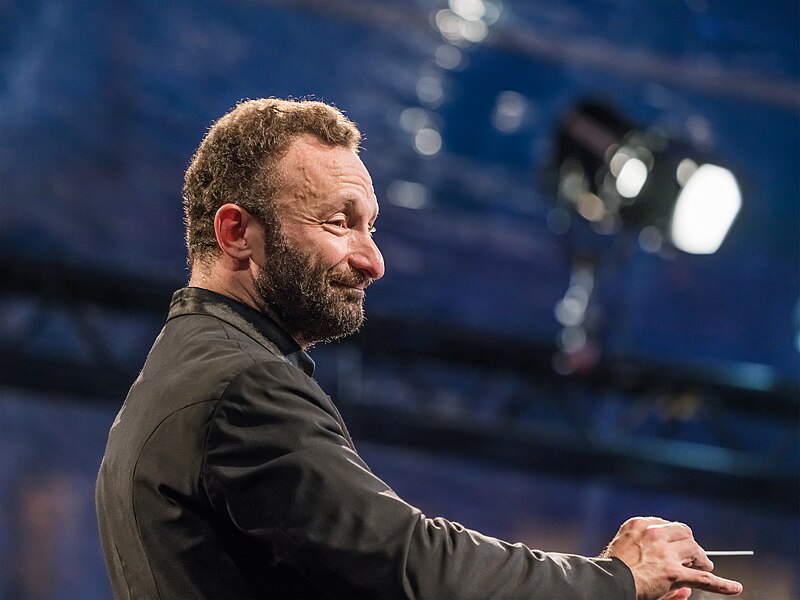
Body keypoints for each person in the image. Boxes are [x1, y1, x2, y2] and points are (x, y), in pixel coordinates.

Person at [95, 98, 743, 600]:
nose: (372, 260)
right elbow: (417, 568)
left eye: (371, 226)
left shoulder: (189, 370)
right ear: (237, 231)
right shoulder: (241, 386)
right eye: (340, 222)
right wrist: (615, 580)